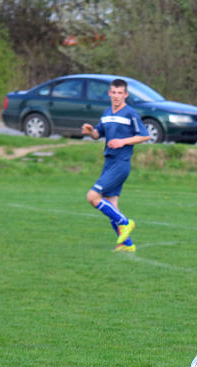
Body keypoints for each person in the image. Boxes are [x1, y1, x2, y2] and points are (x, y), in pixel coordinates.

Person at [82, 78, 150, 252]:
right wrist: (90, 132)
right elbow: (98, 134)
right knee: (111, 205)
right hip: (109, 162)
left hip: (121, 163)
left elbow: (144, 136)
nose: (117, 96)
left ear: (125, 95)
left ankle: (126, 223)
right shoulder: (107, 113)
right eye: (114, 92)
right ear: (109, 93)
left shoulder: (130, 114)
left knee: (92, 197)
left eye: (120, 93)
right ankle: (127, 245)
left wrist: (123, 141)